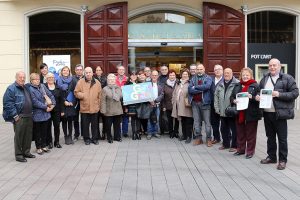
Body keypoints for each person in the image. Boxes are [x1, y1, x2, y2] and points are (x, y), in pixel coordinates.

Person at [256, 58, 299, 170]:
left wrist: (279, 94)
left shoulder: (287, 78)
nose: (272, 67)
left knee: (282, 138)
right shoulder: (265, 78)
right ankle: (271, 157)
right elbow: (258, 91)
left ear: (280, 66)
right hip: (267, 112)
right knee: (270, 137)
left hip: (280, 113)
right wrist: (257, 96)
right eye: (270, 65)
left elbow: (295, 93)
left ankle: (282, 160)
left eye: (275, 65)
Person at [3, 71, 36, 162]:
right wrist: (15, 115)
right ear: (16, 77)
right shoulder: (11, 88)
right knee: (19, 136)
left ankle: (26, 152)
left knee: (28, 136)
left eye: (23, 77)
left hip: (29, 116)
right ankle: (18, 155)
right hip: (19, 117)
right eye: (20, 77)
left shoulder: (26, 87)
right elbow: (8, 104)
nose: (22, 79)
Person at [231, 68, 262, 159]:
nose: (245, 77)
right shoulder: (237, 85)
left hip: (251, 113)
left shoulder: (255, 85)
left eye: (247, 75)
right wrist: (234, 100)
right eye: (243, 75)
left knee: (250, 133)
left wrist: (251, 97)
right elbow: (232, 97)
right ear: (241, 76)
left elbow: (259, 99)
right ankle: (240, 149)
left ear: (251, 76)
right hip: (239, 112)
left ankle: (250, 151)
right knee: (240, 132)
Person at [28, 73, 56, 155]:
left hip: (46, 115)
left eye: (38, 79)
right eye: (35, 79)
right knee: (37, 132)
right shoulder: (30, 89)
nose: (37, 81)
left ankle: (44, 145)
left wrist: (53, 104)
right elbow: (34, 102)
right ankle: (38, 147)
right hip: (37, 115)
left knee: (45, 131)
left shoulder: (42, 86)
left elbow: (50, 95)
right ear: (31, 81)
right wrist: (45, 107)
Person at [75, 67, 102, 145]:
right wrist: (83, 95)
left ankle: (95, 139)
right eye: (86, 72)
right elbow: (76, 92)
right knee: (85, 125)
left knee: (95, 125)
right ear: (84, 73)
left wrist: (99, 105)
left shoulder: (97, 82)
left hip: (95, 107)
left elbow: (100, 95)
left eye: (89, 72)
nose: (88, 74)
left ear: (92, 73)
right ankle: (86, 139)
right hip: (84, 107)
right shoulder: (80, 82)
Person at [214, 68, 239, 152]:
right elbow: (216, 97)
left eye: (228, 73)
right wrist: (217, 108)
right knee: (223, 129)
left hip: (232, 111)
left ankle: (235, 146)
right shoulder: (220, 84)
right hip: (222, 111)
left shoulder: (237, 83)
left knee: (234, 129)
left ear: (232, 73)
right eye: (225, 73)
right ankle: (226, 144)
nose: (226, 74)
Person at [188, 64, 213, 147]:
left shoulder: (208, 78)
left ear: (204, 69)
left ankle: (209, 139)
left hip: (205, 103)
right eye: (198, 69)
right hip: (195, 103)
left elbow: (207, 86)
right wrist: (200, 90)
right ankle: (199, 138)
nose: (199, 70)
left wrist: (195, 87)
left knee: (207, 123)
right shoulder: (193, 78)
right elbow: (190, 90)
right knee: (196, 122)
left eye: (200, 69)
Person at [172, 69, 193, 143]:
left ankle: (189, 136)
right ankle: (184, 135)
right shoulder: (178, 83)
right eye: (183, 74)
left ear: (188, 75)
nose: (185, 75)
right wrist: (173, 101)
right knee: (182, 121)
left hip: (186, 106)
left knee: (188, 122)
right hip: (179, 106)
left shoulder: (191, 83)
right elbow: (174, 93)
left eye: (186, 74)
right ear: (181, 75)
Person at [57, 66, 78, 145]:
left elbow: (75, 91)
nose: (66, 72)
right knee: (64, 121)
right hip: (63, 105)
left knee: (70, 121)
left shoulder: (73, 80)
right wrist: (64, 101)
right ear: (61, 72)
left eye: (67, 71)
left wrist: (73, 102)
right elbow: (58, 93)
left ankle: (70, 136)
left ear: (69, 72)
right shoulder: (58, 81)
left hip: (71, 103)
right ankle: (66, 136)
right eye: (64, 70)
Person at [101, 73, 123, 143]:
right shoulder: (104, 89)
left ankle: (117, 137)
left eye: (113, 79)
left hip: (117, 110)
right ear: (107, 80)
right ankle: (109, 137)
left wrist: (114, 90)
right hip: (108, 111)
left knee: (117, 125)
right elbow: (103, 101)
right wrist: (103, 110)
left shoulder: (118, 88)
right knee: (108, 126)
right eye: (110, 80)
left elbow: (119, 96)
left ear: (115, 80)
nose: (111, 81)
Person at [45, 72, 63, 149]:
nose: (51, 79)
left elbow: (61, 100)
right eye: (49, 77)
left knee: (57, 126)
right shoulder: (43, 87)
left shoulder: (58, 88)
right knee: (48, 127)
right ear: (46, 79)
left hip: (56, 110)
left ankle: (57, 142)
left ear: (54, 78)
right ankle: (49, 142)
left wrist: (62, 111)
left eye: (52, 77)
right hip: (47, 110)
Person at [161, 70, 179, 138]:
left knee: (177, 119)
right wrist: (164, 106)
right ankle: (171, 132)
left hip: (176, 105)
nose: (172, 76)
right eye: (170, 75)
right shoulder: (165, 84)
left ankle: (176, 132)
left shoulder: (178, 83)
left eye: (173, 75)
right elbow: (163, 96)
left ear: (175, 76)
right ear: (168, 76)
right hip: (168, 105)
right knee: (170, 120)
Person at [146, 70, 164, 139]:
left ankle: (155, 132)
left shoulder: (161, 84)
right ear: (151, 76)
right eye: (153, 75)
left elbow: (162, 94)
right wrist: (150, 101)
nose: (154, 76)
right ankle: (149, 133)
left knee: (156, 118)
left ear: (158, 76)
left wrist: (156, 101)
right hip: (149, 105)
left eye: (156, 75)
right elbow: (145, 93)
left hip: (157, 104)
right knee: (149, 119)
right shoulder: (147, 84)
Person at [124, 71, 141, 140]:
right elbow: (125, 96)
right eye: (132, 75)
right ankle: (134, 133)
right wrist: (126, 107)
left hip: (139, 104)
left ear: (137, 76)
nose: (134, 76)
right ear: (130, 76)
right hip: (131, 105)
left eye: (135, 75)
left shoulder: (140, 84)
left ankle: (138, 133)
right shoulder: (126, 84)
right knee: (133, 119)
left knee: (138, 119)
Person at [210, 64, 223, 144]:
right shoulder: (210, 79)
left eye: (219, 69)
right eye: (215, 69)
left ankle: (227, 138)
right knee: (214, 122)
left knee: (225, 123)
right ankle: (216, 137)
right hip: (212, 104)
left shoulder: (225, 79)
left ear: (222, 70)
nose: (217, 71)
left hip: (222, 104)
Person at [115, 65, 129, 138]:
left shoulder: (127, 79)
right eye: (119, 70)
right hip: (116, 101)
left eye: (122, 70)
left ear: (124, 71)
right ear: (117, 71)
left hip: (125, 101)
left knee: (125, 117)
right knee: (117, 117)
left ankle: (125, 132)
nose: (121, 71)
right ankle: (118, 132)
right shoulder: (114, 79)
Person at [94, 66, 107, 140]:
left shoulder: (105, 79)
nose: (98, 71)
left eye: (99, 70)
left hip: (103, 101)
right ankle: (97, 134)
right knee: (96, 119)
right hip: (95, 101)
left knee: (104, 118)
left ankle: (104, 133)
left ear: (102, 71)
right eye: (97, 70)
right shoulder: (93, 79)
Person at [72, 64, 84, 141]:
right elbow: (70, 90)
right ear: (75, 71)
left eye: (80, 70)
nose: (79, 71)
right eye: (78, 70)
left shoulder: (85, 78)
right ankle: (76, 134)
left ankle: (83, 134)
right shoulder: (72, 79)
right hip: (75, 102)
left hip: (84, 101)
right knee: (75, 119)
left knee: (84, 119)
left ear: (82, 71)